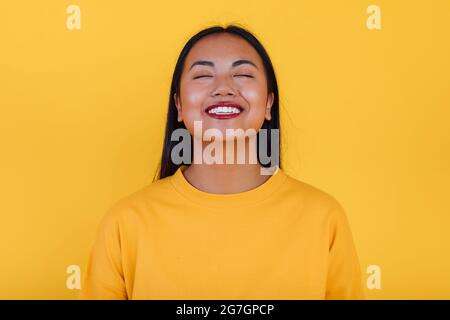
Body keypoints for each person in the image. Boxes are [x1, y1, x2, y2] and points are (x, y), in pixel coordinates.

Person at [78, 24, 365, 300]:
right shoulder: (125, 222)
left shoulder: (324, 218)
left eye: (243, 74)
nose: (224, 88)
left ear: (268, 104)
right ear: (178, 105)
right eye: (203, 75)